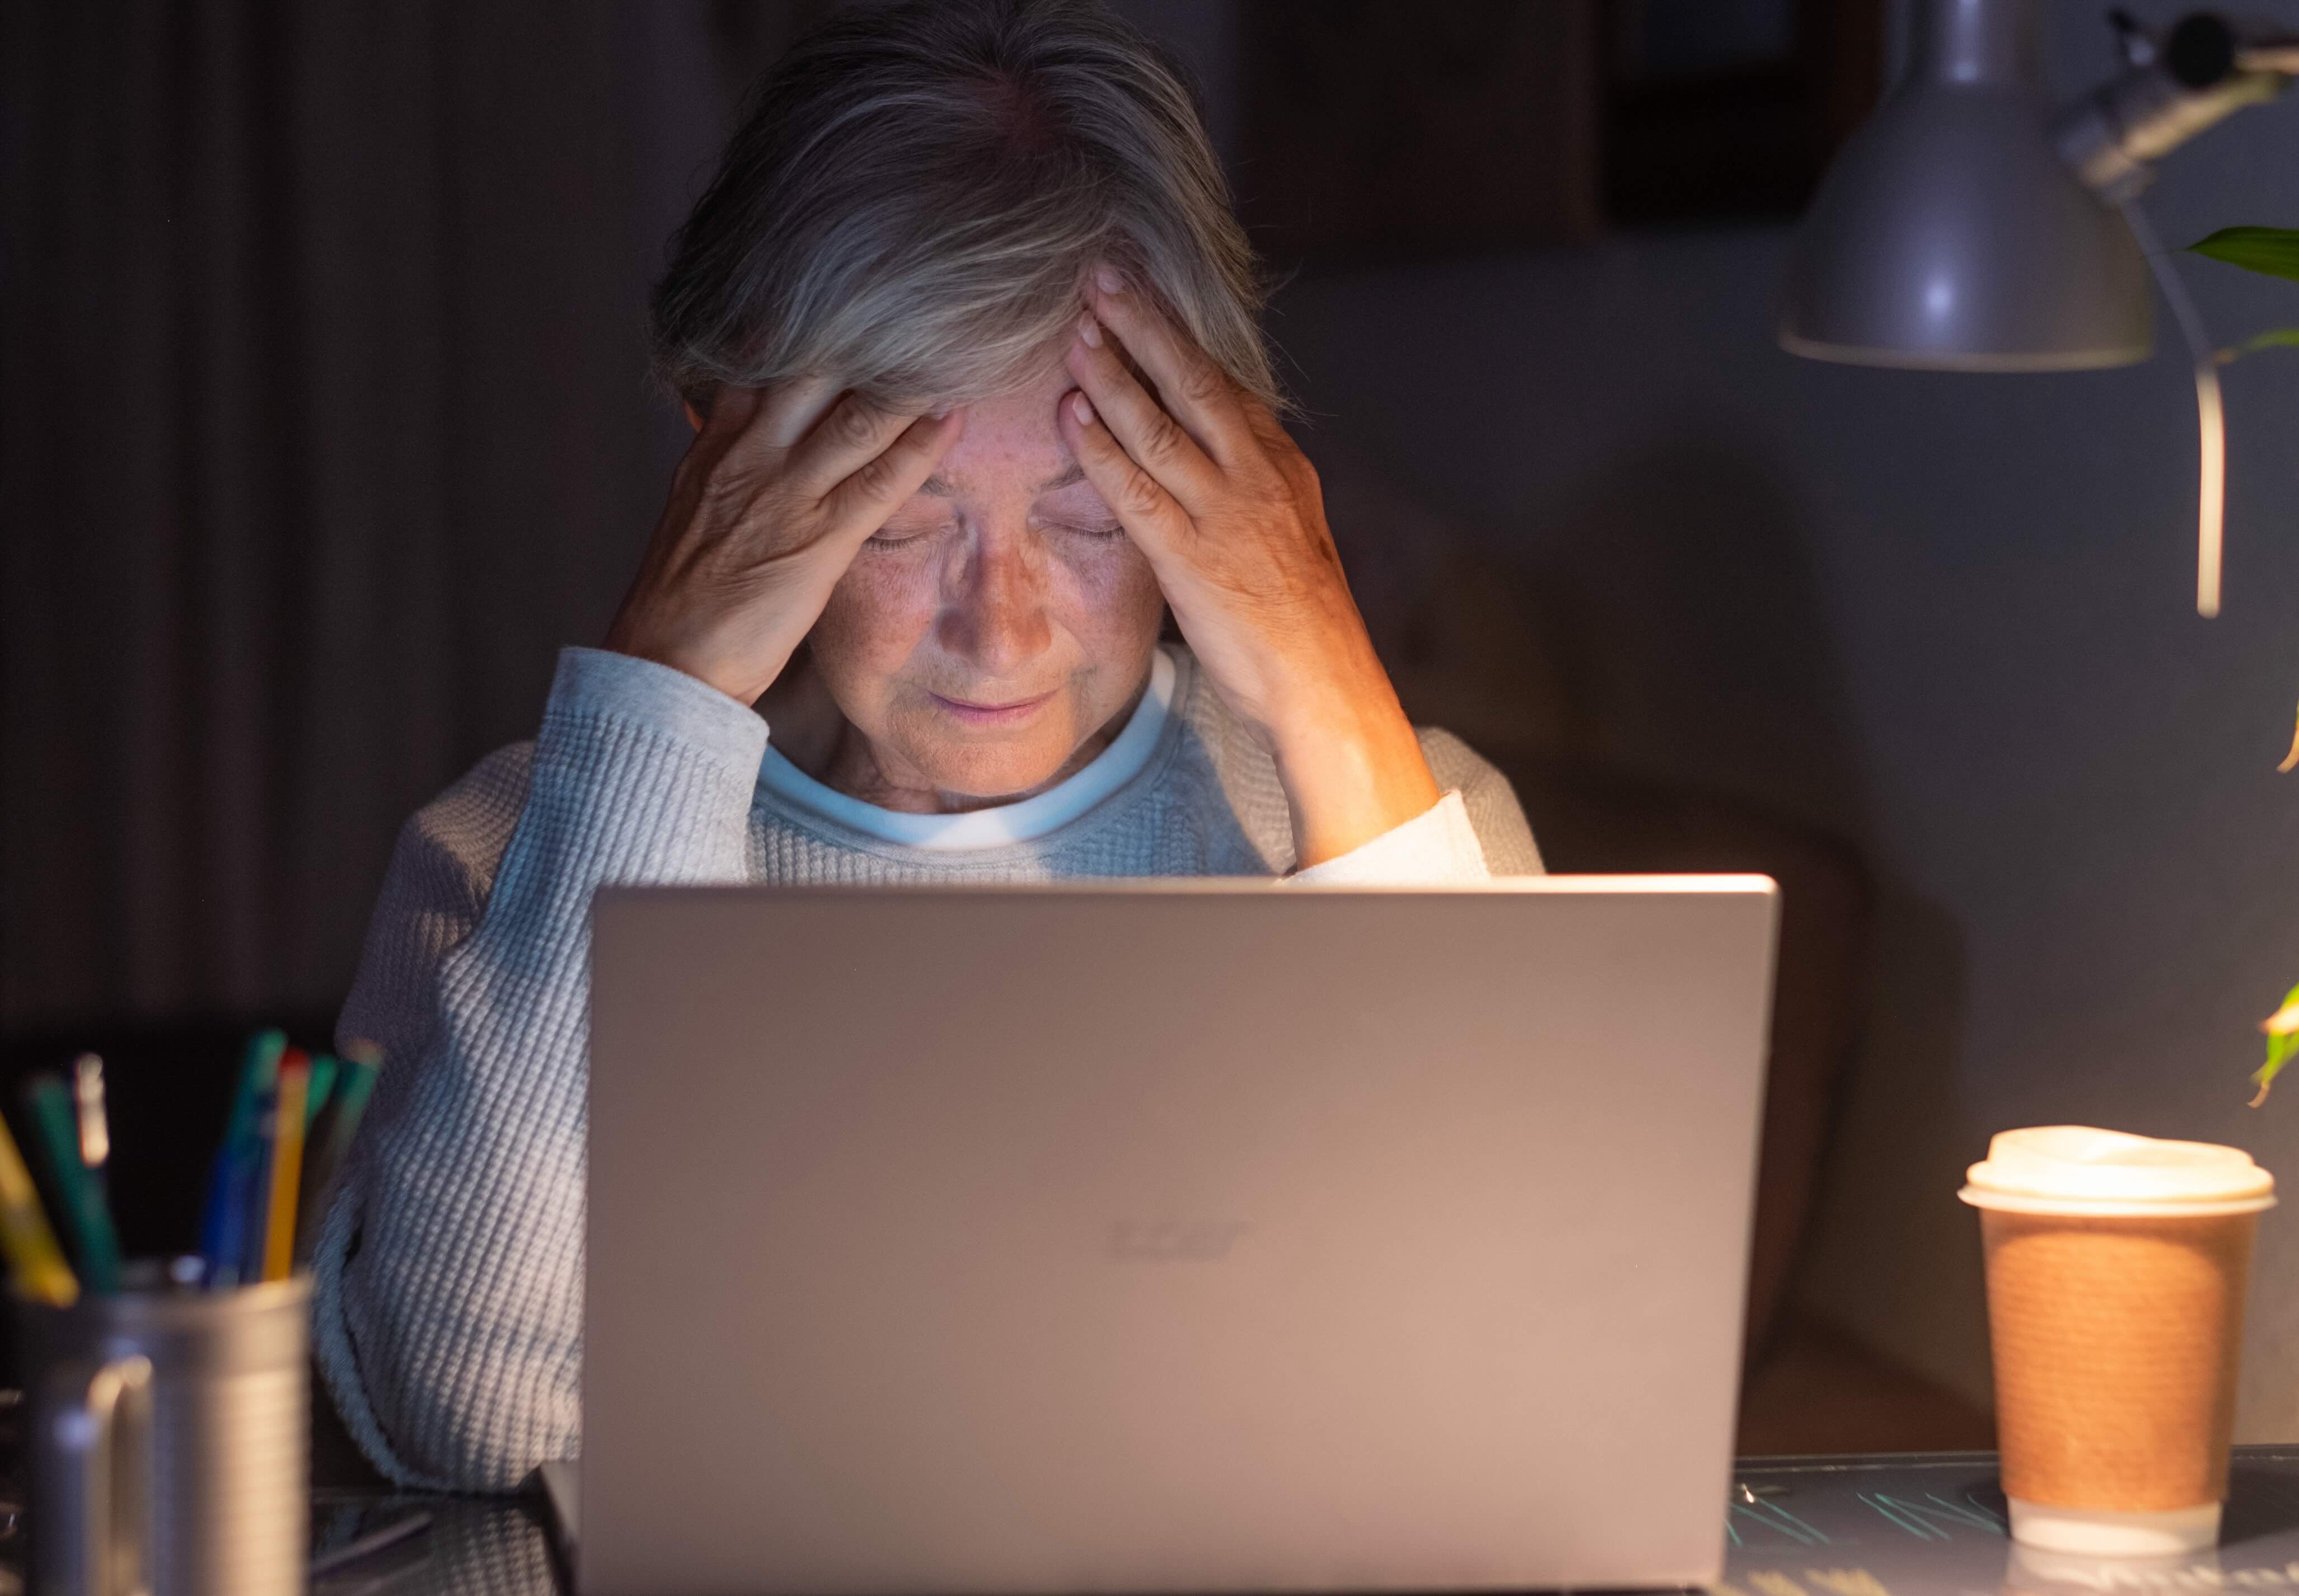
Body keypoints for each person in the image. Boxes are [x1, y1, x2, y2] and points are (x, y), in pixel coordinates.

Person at [314, 0, 1541, 1492]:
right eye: (904, 520)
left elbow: (1498, 1390)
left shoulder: (1409, 821)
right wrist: (658, 696)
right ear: (722, 471)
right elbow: (474, 1411)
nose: (1003, 628)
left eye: (1094, 518)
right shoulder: (511, 852)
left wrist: (1333, 690)